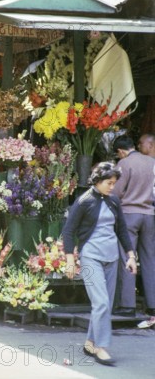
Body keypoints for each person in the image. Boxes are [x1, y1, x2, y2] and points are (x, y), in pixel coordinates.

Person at [63, 162, 137, 366]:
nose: (112, 187)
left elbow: (122, 229)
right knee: (101, 302)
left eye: (114, 183)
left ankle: (90, 342)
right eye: (109, 182)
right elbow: (68, 231)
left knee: (104, 305)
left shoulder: (113, 201)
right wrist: (70, 260)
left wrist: (130, 256)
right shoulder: (84, 201)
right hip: (90, 257)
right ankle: (101, 347)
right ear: (97, 181)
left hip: (111, 257)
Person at [111, 135, 155, 317]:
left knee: (127, 256)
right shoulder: (151, 162)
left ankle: (127, 305)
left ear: (121, 151)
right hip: (149, 215)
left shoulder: (124, 164)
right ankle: (152, 304)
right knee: (149, 258)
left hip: (129, 214)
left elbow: (116, 192)